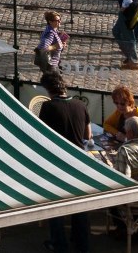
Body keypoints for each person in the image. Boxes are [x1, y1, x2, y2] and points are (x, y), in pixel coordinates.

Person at [37, 72, 91, 253]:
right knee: (80, 204)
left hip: (57, 162)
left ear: (48, 89)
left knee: (57, 205)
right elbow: (87, 136)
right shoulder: (80, 105)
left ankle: (59, 244)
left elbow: (42, 135)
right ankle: (81, 242)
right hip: (78, 161)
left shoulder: (48, 107)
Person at [113, 0, 138, 70]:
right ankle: (129, 56)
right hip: (131, 13)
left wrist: (122, 9)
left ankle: (133, 61)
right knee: (116, 31)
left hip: (127, 13)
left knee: (129, 37)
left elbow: (127, 0)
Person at [35, 10, 68, 75]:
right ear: (50, 22)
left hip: (54, 63)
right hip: (51, 66)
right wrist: (56, 46)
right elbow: (42, 48)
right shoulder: (50, 34)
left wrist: (61, 45)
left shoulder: (53, 30)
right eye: (57, 20)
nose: (60, 21)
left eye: (60, 19)